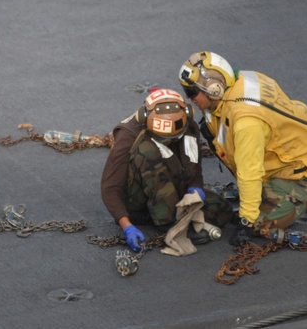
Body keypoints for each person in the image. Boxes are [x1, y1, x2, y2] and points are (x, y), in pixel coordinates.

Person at [178, 51, 307, 247]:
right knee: (215, 134)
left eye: (192, 92)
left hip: (302, 168)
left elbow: (249, 172)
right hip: (288, 152)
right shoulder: (242, 80)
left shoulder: (246, 122)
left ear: (214, 88)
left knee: (262, 225)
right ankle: (271, 191)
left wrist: (247, 221)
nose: (189, 98)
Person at [100, 87, 233, 253]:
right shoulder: (128, 136)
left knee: (223, 211)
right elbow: (110, 189)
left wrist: (196, 189)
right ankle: (167, 222)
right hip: (138, 199)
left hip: (173, 187)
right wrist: (126, 226)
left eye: (173, 138)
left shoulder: (188, 126)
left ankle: (165, 215)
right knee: (148, 150)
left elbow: (194, 166)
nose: (168, 142)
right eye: (163, 138)